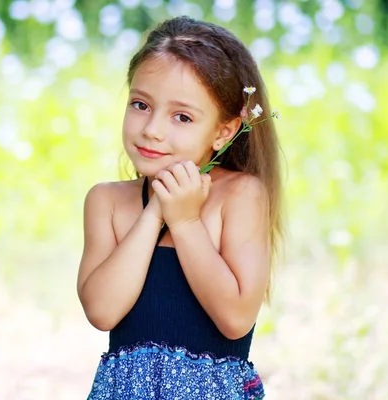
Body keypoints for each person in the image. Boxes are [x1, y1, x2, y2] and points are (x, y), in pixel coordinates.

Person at [76, 15, 283, 399]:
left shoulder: (241, 196)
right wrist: (156, 211)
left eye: (182, 116)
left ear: (223, 131)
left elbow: (236, 318)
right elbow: (102, 311)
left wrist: (185, 222)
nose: (152, 128)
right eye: (140, 104)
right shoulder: (106, 202)